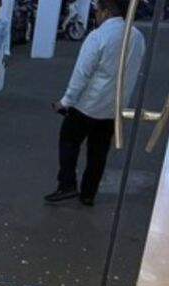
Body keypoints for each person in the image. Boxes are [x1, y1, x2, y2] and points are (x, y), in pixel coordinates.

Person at [44, 0, 145, 206]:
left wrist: (65, 101)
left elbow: (82, 73)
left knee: (68, 141)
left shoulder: (98, 36)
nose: (96, 14)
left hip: (87, 105)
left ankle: (67, 184)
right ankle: (88, 193)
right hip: (112, 108)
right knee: (98, 153)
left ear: (106, 12)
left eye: (97, 10)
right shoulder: (137, 37)